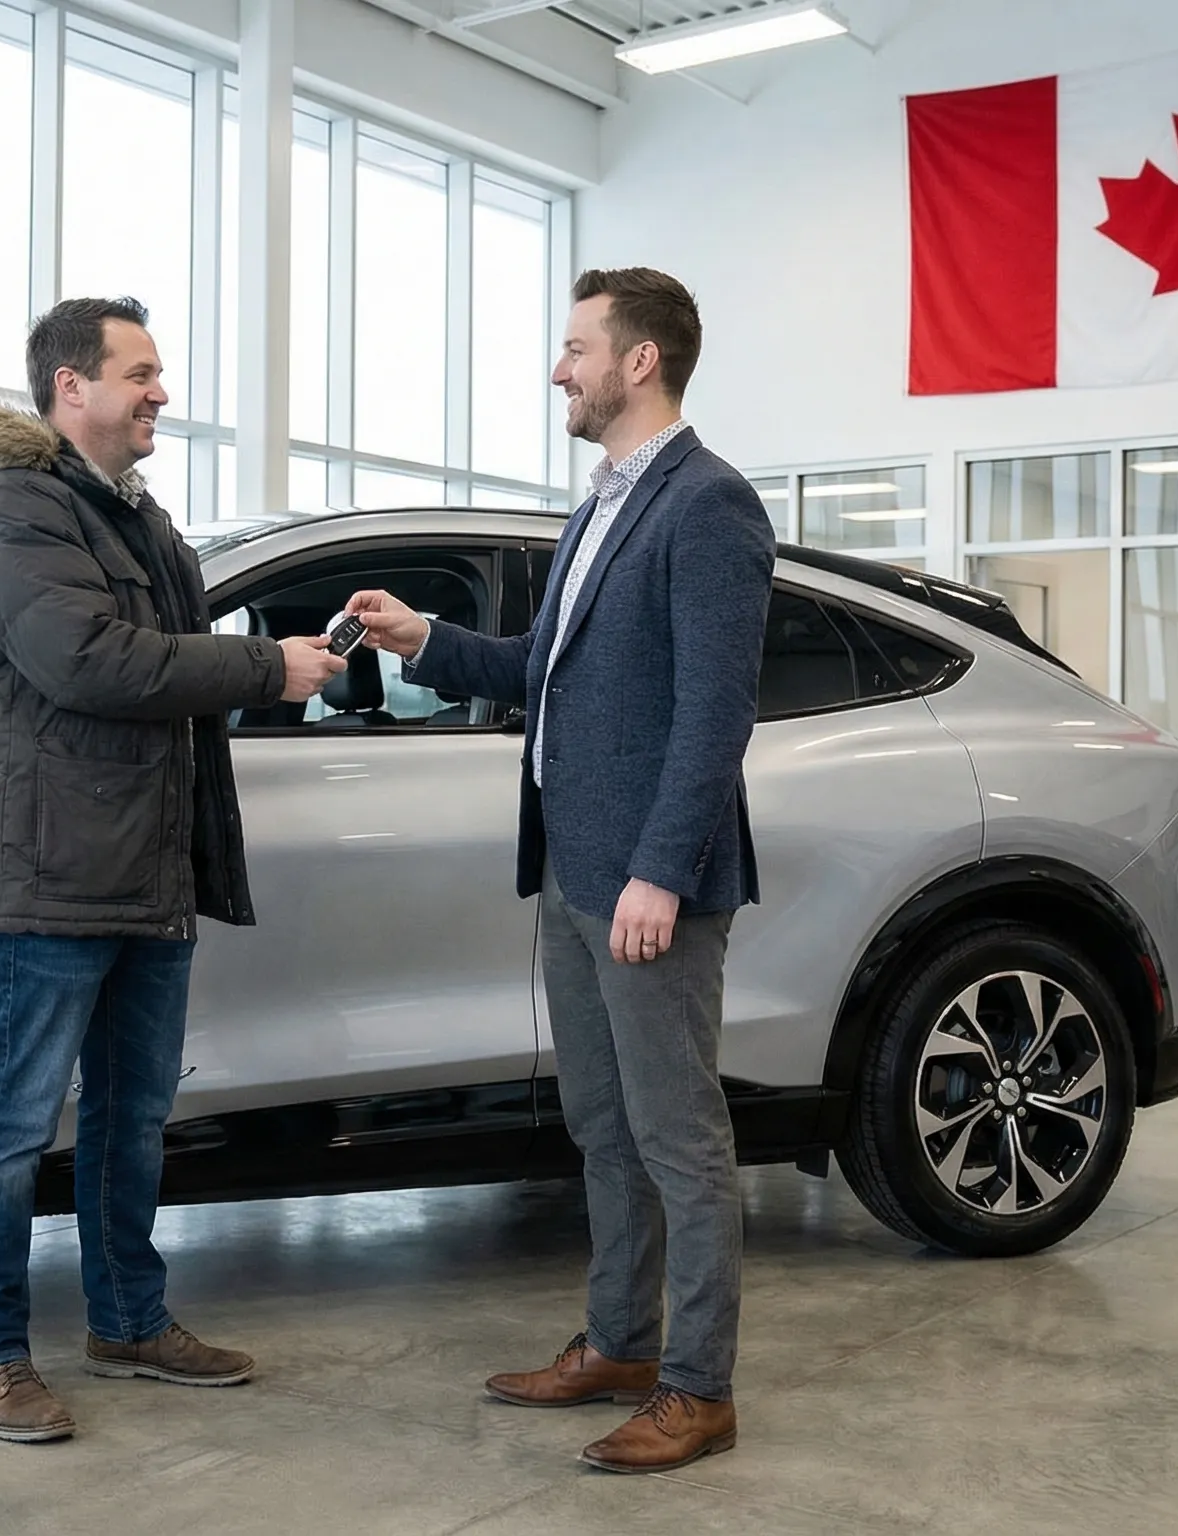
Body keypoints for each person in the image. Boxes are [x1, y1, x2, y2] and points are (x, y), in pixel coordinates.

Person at [347, 267, 774, 1474]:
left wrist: (659, 872)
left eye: (576, 347)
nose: (558, 369)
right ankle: (621, 1343)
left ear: (638, 362)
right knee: (601, 1127)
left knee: (678, 1137)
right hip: (573, 869)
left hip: (645, 884)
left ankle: (698, 1386)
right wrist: (425, 639)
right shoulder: (598, 503)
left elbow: (711, 715)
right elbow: (544, 665)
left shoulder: (709, 506)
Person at [0, 297, 349, 1443]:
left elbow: (170, 657)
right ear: (70, 387)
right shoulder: (14, 507)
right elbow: (88, 659)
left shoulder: (130, 515)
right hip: (52, 869)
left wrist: (295, 644)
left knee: (132, 1118)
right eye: (139, 372)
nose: (159, 392)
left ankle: (127, 1318)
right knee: (10, 1124)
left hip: (145, 865)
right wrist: (266, 666)